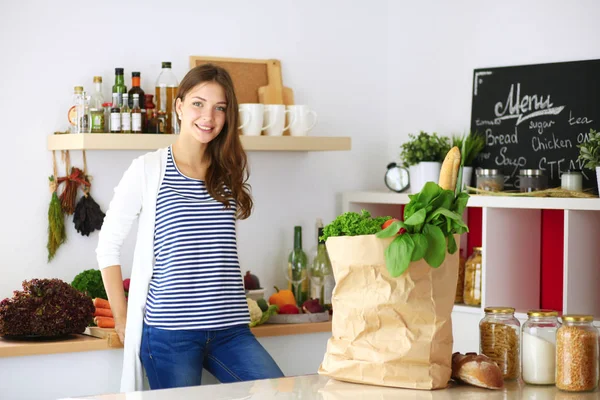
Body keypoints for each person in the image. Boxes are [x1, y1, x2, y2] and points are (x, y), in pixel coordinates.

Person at [96, 64, 284, 393]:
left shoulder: (226, 170)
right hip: (170, 334)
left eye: (219, 108)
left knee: (283, 394)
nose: (208, 116)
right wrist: (123, 317)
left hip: (231, 330)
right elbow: (108, 245)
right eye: (198, 103)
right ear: (179, 106)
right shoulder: (148, 169)